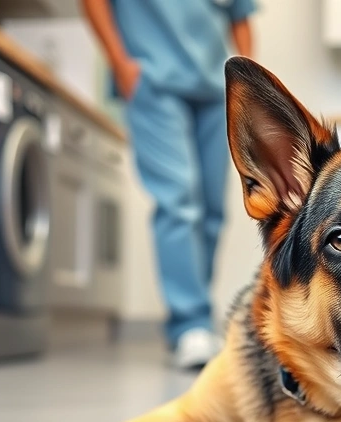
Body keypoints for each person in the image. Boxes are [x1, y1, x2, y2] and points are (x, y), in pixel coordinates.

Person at [83, 0, 256, 370]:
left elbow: (240, 17)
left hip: (216, 90)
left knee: (212, 209)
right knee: (179, 201)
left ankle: (196, 322)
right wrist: (120, 63)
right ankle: (189, 325)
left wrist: (249, 89)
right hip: (155, 82)